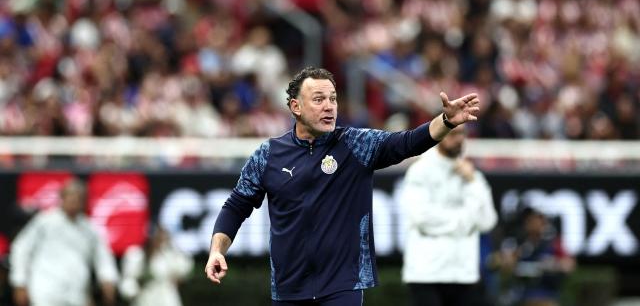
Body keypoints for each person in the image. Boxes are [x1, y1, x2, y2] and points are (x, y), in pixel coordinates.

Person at [204, 66, 481, 305]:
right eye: (319, 99)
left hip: (343, 284)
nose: (329, 106)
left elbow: (406, 143)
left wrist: (445, 121)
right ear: (295, 107)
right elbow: (237, 205)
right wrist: (217, 250)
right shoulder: (269, 154)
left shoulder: (356, 144)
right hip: (288, 287)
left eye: (333, 99)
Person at [401, 125, 498, 306]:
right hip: (426, 274)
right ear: (439, 136)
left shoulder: (473, 175)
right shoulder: (420, 171)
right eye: (453, 134)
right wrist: (465, 221)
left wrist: (472, 183)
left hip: (464, 274)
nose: (459, 138)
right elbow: (421, 217)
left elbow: (488, 221)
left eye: (462, 133)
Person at [9, 178, 119, 306]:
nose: (73, 202)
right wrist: (19, 282)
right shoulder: (45, 222)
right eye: (70, 197)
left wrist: (107, 279)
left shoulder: (89, 228)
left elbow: (103, 257)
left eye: (78, 198)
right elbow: (21, 248)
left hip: (76, 293)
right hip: (45, 291)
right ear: (62, 198)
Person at [490, 207, 575, 306]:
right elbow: (495, 262)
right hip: (520, 296)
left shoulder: (553, 243)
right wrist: (510, 260)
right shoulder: (517, 242)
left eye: (539, 220)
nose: (535, 223)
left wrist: (554, 264)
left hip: (546, 294)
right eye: (531, 220)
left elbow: (569, 265)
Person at [119, 224, 194, 306]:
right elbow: (127, 282)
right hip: (144, 300)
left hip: (168, 300)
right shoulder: (135, 256)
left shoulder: (169, 254)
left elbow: (184, 268)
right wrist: (134, 291)